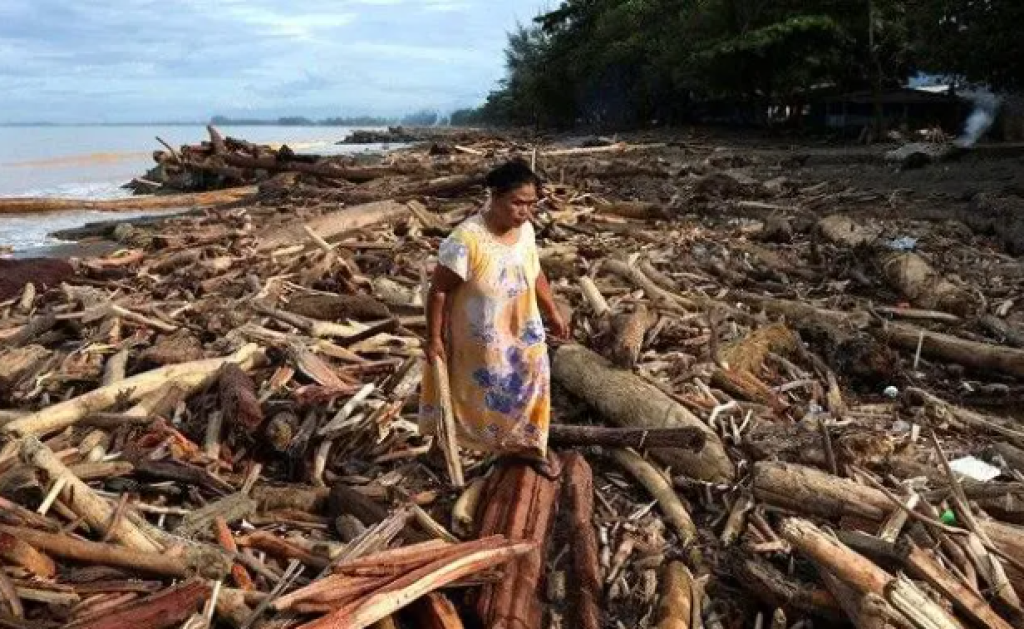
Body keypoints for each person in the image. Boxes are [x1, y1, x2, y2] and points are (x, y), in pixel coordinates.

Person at [419, 159, 568, 478]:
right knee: (467, 391)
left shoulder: (525, 230)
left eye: (531, 204)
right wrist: (433, 338)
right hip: (479, 334)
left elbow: (535, 272)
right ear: (494, 196)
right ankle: (444, 446)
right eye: (517, 203)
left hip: (523, 328)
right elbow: (440, 291)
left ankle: (528, 446)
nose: (525, 212)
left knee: (532, 382)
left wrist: (552, 311)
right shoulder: (466, 240)